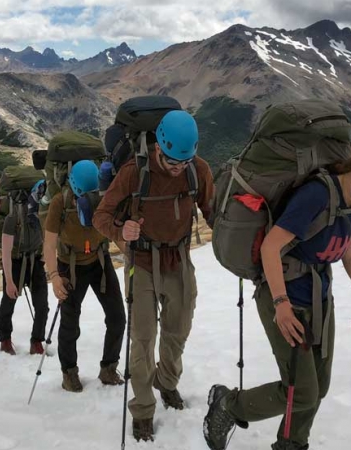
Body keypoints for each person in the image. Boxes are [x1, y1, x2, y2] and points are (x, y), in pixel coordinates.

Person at [203, 127, 351, 450]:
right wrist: (281, 304)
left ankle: (291, 443)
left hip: (319, 298)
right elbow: (270, 248)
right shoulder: (318, 196)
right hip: (283, 293)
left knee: (317, 387)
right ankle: (227, 406)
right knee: (301, 390)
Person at [93, 109, 214, 442]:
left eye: (183, 163)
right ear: (159, 146)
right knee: (143, 339)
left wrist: (237, 235)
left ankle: (168, 383)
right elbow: (100, 216)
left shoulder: (197, 170)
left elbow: (212, 210)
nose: (177, 169)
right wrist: (121, 229)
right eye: (172, 162)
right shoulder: (135, 172)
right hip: (142, 262)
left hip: (179, 258)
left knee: (178, 329)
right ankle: (143, 409)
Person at [42, 161, 125, 392]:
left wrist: (132, 255)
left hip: (99, 261)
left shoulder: (102, 197)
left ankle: (109, 368)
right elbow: (49, 244)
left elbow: (114, 231)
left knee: (117, 316)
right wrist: (55, 276)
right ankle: (69, 373)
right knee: (70, 323)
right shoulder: (60, 202)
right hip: (70, 265)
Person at [0, 180, 49, 355]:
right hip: (15, 261)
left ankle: (37, 341)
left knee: (42, 305)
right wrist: (9, 281)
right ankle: (5, 340)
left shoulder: (44, 214)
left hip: (36, 261)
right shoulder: (13, 216)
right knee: (8, 302)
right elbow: (6, 251)